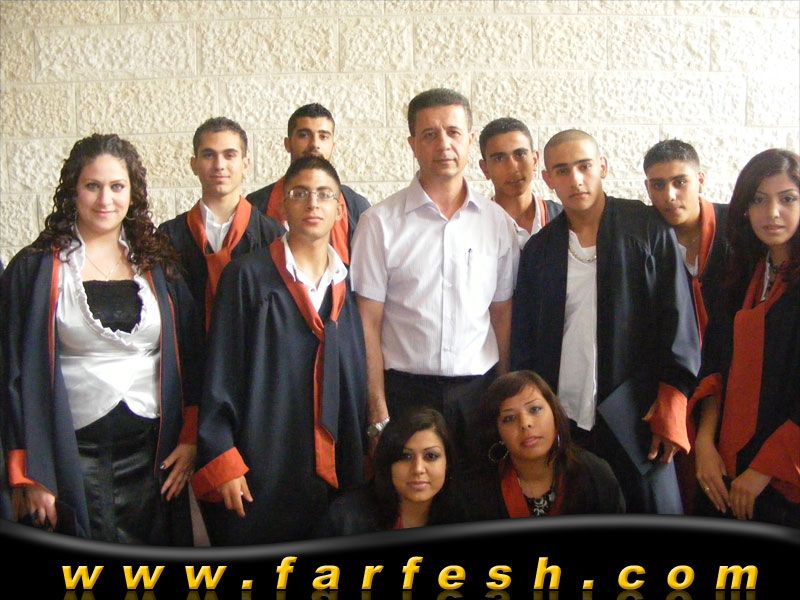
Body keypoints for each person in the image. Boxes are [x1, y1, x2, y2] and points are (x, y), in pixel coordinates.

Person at [0, 134, 200, 543]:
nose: (105, 199)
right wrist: (30, 473)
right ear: (73, 190)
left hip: (151, 457)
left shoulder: (159, 266)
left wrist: (191, 437)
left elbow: (194, 358)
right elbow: (11, 374)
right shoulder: (34, 269)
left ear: (133, 192)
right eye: (93, 185)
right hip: (68, 456)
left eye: (117, 186)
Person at [510, 129, 700, 514]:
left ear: (603, 167)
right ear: (547, 178)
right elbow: (525, 341)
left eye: (584, 166)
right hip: (567, 418)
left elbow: (678, 321)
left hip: (638, 412)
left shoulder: (646, 228)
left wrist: (671, 401)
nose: (576, 179)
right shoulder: (540, 250)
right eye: (562, 170)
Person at [192, 155, 367, 545]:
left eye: (324, 194)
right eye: (300, 193)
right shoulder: (247, 277)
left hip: (335, 471)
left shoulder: (349, 285)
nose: (312, 203)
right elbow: (220, 373)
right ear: (283, 205)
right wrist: (222, 456)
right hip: (262, 463)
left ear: (340, 209)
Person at [350, 88, 517, 465]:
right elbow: (368, 322)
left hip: (478, 394)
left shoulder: (497, 224)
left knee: (478, 493)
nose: (444, 144)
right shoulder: (379, 223)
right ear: (412, 144)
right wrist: (377, 413)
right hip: (405, 394)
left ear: (470, 140)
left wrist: (505, 399)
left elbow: (502, 314)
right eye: (430, 134)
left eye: (454, 132)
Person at [693, 149, 799, 527]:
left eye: (787, 199)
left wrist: (763, 471)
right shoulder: (739, 275)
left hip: (784, 477)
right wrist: (704, 443)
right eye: (759, 200)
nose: (773, 213)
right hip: (727, 463)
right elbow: (716, 364)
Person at [643, 139, 731, 513]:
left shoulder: (737, 229)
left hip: (732, 378)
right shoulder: (643, 236)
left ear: (701, 180)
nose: (670, 195)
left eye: (680, 182)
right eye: (658, 185)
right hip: (672, 384)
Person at [158, 117, 283, 331]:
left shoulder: (273, 236)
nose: (219, 165)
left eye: (229, 155)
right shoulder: (168, 237)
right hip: (189, 350)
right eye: (209, 155)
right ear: (194, 164)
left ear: (246, 164)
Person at [461, 371, 624, 520]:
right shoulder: (477, 491)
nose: (525, 423)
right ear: (497, 431)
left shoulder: (594, 474)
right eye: (509, 418)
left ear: (554, 413)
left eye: (535, 409)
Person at [246, 103, 371, 265]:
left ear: (333, 146)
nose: (314, 144)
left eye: (323, 136)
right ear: (287, 143)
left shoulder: (356, 207)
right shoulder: (256, 205)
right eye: (304, 135)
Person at [316, 407, 464, 536]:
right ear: (387, 462)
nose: (418, 469)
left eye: (430, 456)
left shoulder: (464, 517)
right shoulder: (345, 520)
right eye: (405, 456)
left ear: (448, 463)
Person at [479, 118, 563, 250]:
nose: (512, 168)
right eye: (499, 158)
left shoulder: (566, 220)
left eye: (520, 154)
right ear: (485, 169)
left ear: (535, 160)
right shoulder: (473, 227)